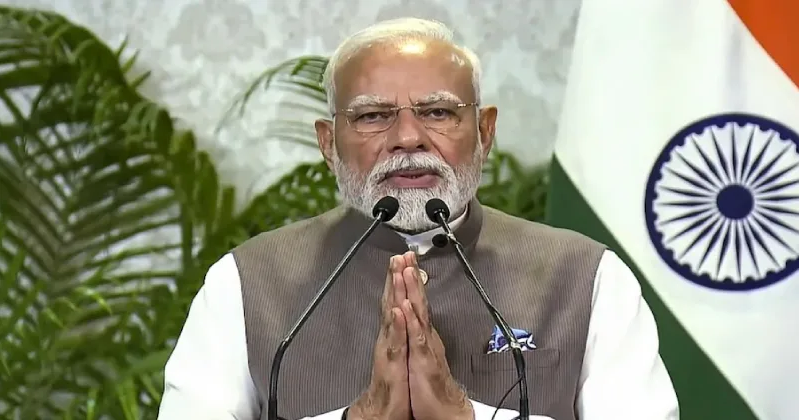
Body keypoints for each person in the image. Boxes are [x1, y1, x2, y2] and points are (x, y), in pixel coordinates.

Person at [157, 17, 679, 420]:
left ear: (485, 131)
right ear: (327, 143)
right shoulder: (245, 282)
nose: (407, 138)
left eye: (437, 112)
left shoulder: (586, 276)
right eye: (372, 116)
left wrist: (466, 416)